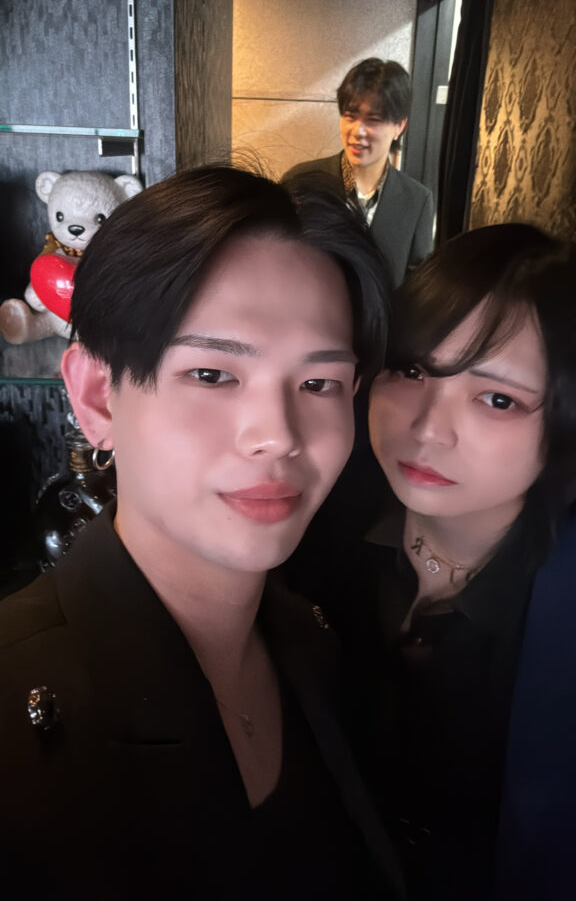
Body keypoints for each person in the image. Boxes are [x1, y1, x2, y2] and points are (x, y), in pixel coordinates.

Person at [0, 166, 403, 900]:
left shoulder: (314, 642)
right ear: (97, 396)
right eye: (213, 375)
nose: (278, 435)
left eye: (318, 384)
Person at [293, 222, 576, 899]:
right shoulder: (308, 524)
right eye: (413, 370)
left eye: (498, 399)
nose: (427, 428)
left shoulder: (560, 617)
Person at [283, 58, 435, 287]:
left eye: (373, 120)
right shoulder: (302, 181)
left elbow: (417, 287)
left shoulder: (417, 200)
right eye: (350, 116)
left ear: (399, 126)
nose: (358, 131)